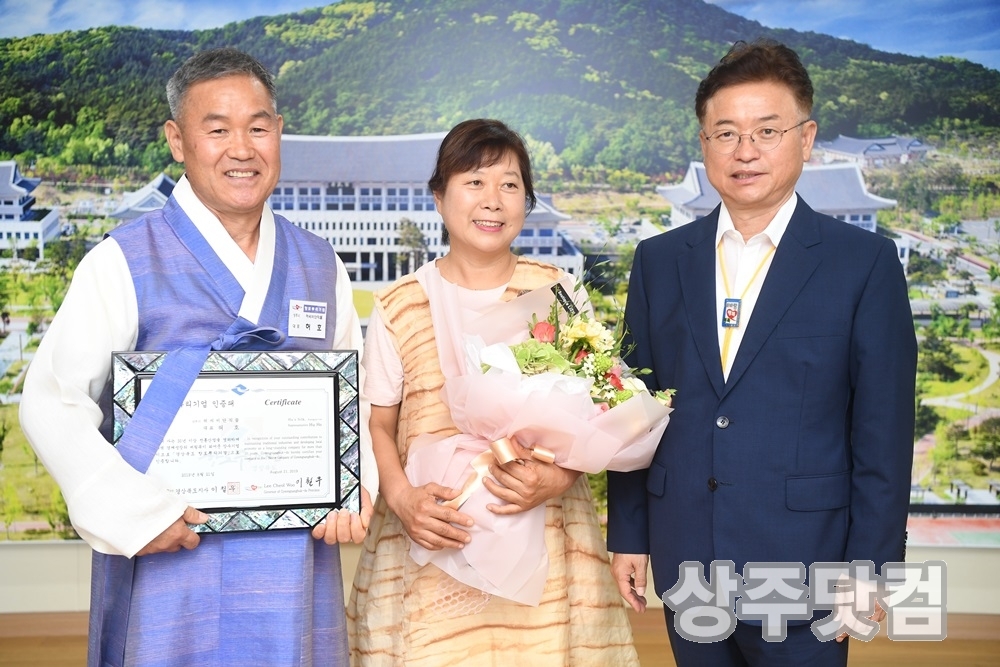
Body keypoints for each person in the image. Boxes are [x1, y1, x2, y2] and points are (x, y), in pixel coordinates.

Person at [19, 47, 376, 667]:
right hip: (170, 542)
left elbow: (358, 395)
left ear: (278, 132)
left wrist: (355, 488)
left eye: (258, 128)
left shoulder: (320, 262)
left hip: (292, 557)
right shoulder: (123, 259)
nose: (242, 149)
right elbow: (51, 401)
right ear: (177, 140)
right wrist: (133, 514)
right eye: (217, 130)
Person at [607, 39, 917, 667]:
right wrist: (630, 534)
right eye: (726, 133)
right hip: (688, 558)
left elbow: (883, 434)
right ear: (704, 145)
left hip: (806, 565)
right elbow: (631, 411)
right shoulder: (659, 261)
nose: (744, 151)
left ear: (806, 139)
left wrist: (869, 568)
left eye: (767, 131)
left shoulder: (863, 264)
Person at [348, 118, 639, 665]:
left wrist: (558, 477)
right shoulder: (400, 304)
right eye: (474, 182)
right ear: (439, 196)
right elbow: (378, 424)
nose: (493, 200)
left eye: (510, 185)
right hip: (432, 536)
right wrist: (403, 499)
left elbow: (603, 407)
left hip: (547, 537)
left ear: (526, 202)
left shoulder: (557, 291)